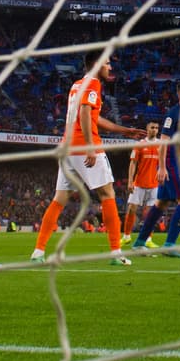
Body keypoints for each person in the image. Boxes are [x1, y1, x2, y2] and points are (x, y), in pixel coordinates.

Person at [31, 50, 145, 265]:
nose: (110, 67)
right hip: (84, 145)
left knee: (59, 199)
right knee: (107, 193)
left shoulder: (77, 85)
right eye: (107, 63)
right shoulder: (93, 84)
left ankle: (38, 252)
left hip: (67, 148)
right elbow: (85, 113)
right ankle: (115, 253)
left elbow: (94, 116)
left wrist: (124, 131)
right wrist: (91, 147)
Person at [131, 83, 180, 255]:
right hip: (170, 162)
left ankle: (139, 242)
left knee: (161, 203)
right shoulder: (173, 114)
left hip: (178, 161)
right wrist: (162, 167)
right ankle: (169, 245)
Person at [121, 121, 161, 245]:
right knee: (132, 209)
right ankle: (127, 236)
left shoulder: (161, 145)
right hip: (138, 183)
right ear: (147, 129)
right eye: (152, 127)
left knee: (150, 213)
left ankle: (148, 239)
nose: (154, 130)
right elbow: (133, 163)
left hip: (154, 185)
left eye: (156, 128)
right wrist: (130, 181)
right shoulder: (140, 145)